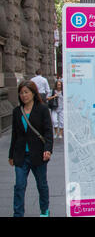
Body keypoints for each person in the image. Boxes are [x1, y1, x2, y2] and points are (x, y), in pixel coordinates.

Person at [8, 80, 53, 217]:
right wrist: (11, 155)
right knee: (19, 186)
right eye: (21, 93)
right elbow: (14, 134)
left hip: (38, 154)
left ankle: (44, 210)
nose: (24, 95)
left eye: (26, 92)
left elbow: (48, 131)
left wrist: (48, 149)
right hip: (21, 155)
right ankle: (18, 213)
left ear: (33, 93)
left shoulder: (42, 109)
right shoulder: (17, 111)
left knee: (42, 185)